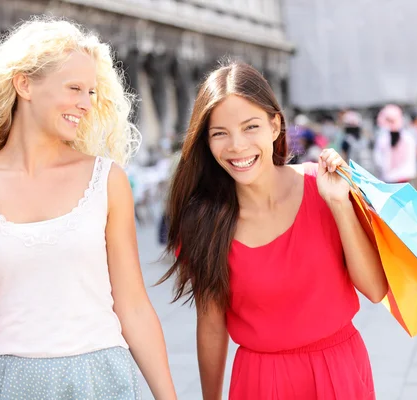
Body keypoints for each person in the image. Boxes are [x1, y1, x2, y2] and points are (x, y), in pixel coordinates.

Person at [0, 17, 176, 399]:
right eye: (75, 88)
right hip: (5, 382)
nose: (85, 104)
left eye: (92, 92)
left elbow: (133, 307)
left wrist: (168, 397)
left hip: (100, 379)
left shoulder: (106, 180)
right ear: (24, 84)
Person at [160, 62, 386, 399]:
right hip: (259, 381)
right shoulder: (204, 221)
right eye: (219, 133)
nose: (236, 146)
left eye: (250, 126)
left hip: (340, 371)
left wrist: (339, 204)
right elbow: (210, 325)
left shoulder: (324, 187)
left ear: (275, 124)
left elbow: (375, 289)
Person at [374, 105, 417, 184]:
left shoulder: (382, 138)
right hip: (405, 178)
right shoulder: (408, 137)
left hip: (389, 179)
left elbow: (378, 160)